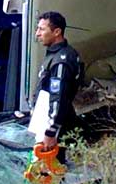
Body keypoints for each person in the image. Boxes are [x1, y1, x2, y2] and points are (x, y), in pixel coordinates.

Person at [33, 11, 84, 163]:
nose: (37, 34)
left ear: (57, 32)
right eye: (37, 29)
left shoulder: (61, 60)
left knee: (50, 174)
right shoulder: (56, 55)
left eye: (42, 29)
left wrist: (50, 132)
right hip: (47, 121)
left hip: (56, 127)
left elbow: (58, 98)